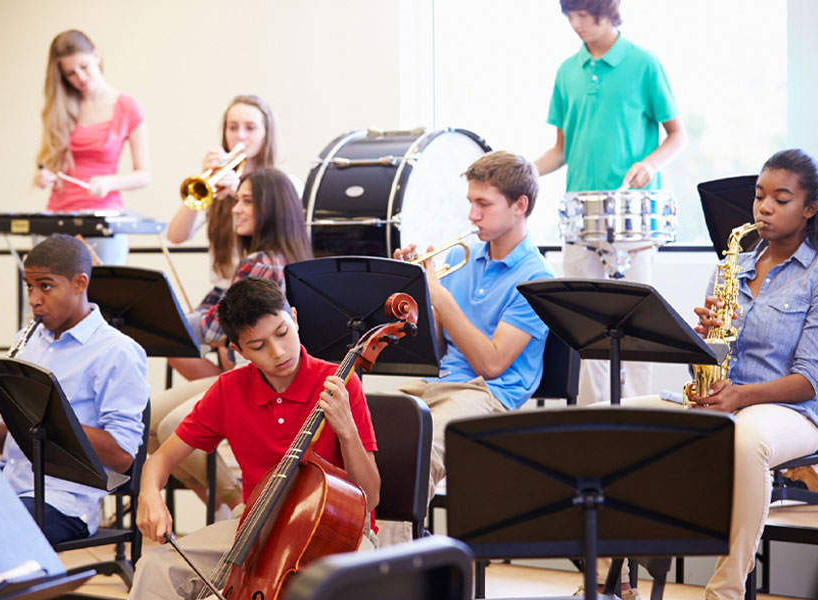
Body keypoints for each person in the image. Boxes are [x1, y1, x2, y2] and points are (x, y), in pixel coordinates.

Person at [621, 149, 818, 600]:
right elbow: (707, 365)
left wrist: (740, 397)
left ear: (810, 209)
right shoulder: (733, 265)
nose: (764, 208)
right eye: (759, 196)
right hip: (727, 399)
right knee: (614, 418)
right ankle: (610, 580)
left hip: (793, 410)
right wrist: (704, 342)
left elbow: (810, 379)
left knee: (746, 439)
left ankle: (724, 591)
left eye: (780, 199)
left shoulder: (814, 276)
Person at [128, 276, 379, 599]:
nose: (278, 352)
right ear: (238, 350)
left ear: (294, 318)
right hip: (257, 525)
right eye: (259, 346)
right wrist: (149, 495)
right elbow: (162, 458)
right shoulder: (229, 389)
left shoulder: (339, 383)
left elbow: (371, 496)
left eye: (282, 333)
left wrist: (347, 431)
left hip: (337, 532)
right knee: (156, 566)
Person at [378, 150, 555, 545]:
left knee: (412, 456)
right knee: (357, 430)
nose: (472, 215)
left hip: (488, 396)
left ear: (519, 206)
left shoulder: (536, 279)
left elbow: (491, 364)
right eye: (470, 203)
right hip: (439, 383)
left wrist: (439, 295)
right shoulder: (466, 259)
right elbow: (437, 346)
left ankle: (386, 568)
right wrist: (415, 292)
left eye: (483, 204)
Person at [534, 0, 687, 407]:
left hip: (631, 216)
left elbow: (677, 134)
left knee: (638, 323)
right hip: (579, 216)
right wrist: (524, 170)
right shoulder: (567, 71)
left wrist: (650, 164)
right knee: (584, 326)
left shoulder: (644, 64)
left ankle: (640, 418)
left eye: (585, 16)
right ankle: (594, 419)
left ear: (608, 12)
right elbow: (560, 150)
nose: (576, 24)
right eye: (570, 16)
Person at [150, 167, 312, 516]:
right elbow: (215, 310)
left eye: (247, 202)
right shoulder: (267, 256)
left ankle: (240, 502)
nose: (236, 209)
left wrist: (162, 319)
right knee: (148, 422)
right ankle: (224, 508)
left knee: (168, 426)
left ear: (272, 209)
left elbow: (213, 325)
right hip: (242, 372)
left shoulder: (263, 261)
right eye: (237, 200)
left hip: (259, 377)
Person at [0, 234, 149, 544]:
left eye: (45, 286)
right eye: (29, 286)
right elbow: (24, 442)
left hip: (63, 502)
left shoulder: (116, 350)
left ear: (80, 283)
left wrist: (55, 424)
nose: (34, 299)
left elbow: (123, 455)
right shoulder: (27, 341)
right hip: (9, 486)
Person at [32, 30, 150, 266]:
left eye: (84, 67)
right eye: (70, 73)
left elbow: (144, 175)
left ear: (97, 56)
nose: (80, 77)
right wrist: (42, 177)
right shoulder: (58, 109)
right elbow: (47, 164)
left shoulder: (127, 107)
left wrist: (108, 183)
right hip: (59, 215)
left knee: (104, 286)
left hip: (103, 219)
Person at [167, 94, 282, 332]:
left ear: (266, 134)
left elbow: (275, 242)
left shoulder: (282, 184)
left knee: (217, 340)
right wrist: (205, 179)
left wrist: (238, 192)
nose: (240, 135)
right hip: (222, 292)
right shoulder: (216, 183)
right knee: (174, 335)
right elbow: (175, 236)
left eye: (250, 128)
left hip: (260, 293)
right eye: (233, 127)